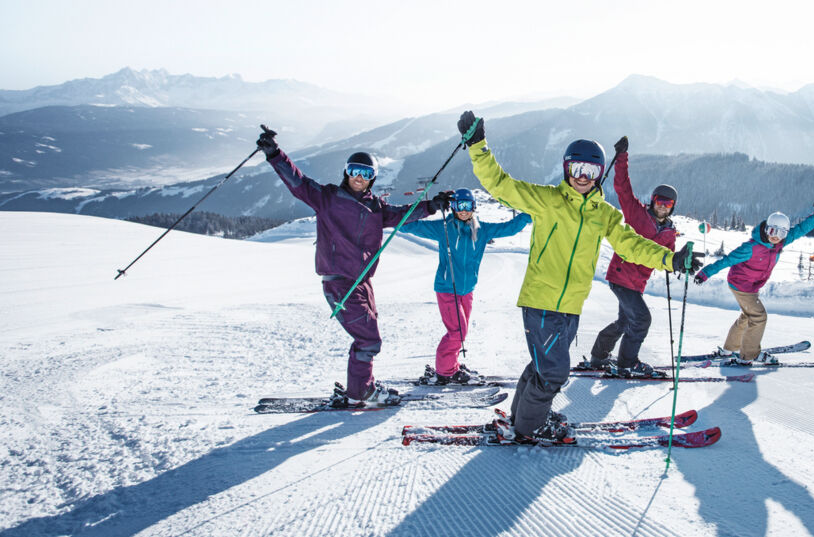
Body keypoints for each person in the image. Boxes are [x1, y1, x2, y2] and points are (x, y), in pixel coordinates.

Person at [456, 111, 701, 444]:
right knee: (554, 372)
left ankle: (522, 417)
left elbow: (631, 246)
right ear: (566, 169)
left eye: (590, 171)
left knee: (542, 366)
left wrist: (670, 259)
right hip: (541, 302)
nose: (582, 177)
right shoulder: (547, 201)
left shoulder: (605, 215)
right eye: (576, 169)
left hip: (571, 305)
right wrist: (477, 145)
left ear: (599, 174)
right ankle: (529, 429)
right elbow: (500, 184)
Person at [255, 127, 453, 406]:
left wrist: (432, 205)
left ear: (373, 178)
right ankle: (361, 392)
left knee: (367, 336)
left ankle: (360, 386)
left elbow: (403, 215)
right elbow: (297, 183)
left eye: (366, 173)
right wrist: (274, 154)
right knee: (368, 339)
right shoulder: (327, 198)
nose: (359, 178)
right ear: (346, 173)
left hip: (361, 282)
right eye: (354, 171)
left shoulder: (376, 207)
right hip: (339, 282)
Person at [398, 187, 532, 385]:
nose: (463, 210)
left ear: (474, 207)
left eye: (467, 205)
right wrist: (429, 208)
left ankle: (451, 363)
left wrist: (530, 213)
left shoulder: (482, 230)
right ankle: (445, 371)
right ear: (452, 207)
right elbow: (406, 226)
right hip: (447, 288)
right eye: (459, 205)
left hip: (467, 290)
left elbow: (509, 228)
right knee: (457, 331)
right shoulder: (443, 228)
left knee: (460, 331)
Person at [582, 135, 678, 378]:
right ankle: (627, 362)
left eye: (668, 204)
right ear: (652, 201)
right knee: (641, 320)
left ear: (672, 207)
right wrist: (622, 157)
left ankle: (599, 355)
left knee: (625, 323)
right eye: (659, 201)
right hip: (621, 277)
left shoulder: (669, 231)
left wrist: (679, 262)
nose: (663, 206)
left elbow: (668, 257)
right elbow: (622, 186)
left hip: (637, 283)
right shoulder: (636, 213)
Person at [694, 206, 814, 365]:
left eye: (781, 233)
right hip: (741, 285)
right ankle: (748, 355)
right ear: (766, 229)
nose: (776, 237)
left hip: (751, 286)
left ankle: (729, 349)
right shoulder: (751, 248)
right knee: (759, 316)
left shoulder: (779, 243)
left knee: (747, 315)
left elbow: (799, 230)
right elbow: (727, 260)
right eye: (773, 231)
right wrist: (705, 273)